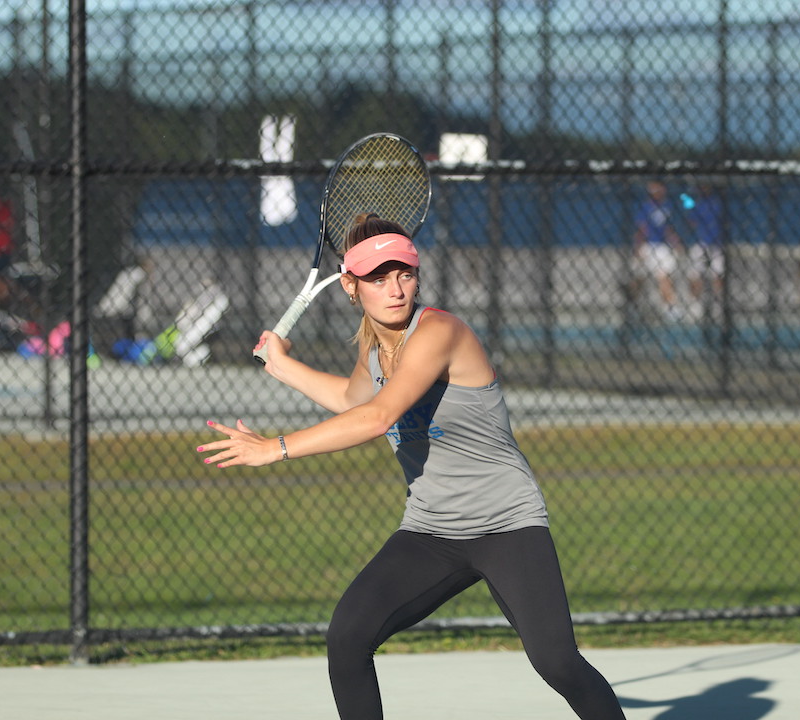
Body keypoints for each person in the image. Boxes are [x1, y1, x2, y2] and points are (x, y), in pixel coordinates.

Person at [198, 213, 625, 720]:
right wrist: (283, 364)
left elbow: (377, 416)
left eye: (405, 273)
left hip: (508, 525)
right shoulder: (374, 350)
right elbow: (351, 398)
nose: (396, 289)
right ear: (352, 287)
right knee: (348, 637)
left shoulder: (440, 330)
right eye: (379, 278)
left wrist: (276, 447)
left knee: (557, 663)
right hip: (431, 530)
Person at [633, 179, 683, 320]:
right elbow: (641, 229)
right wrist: (638, 247)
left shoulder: (669, 207)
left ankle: (670, 307)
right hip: (647, 246)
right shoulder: (645, 207)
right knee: (639, 278)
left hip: (662, 247)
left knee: (664, 276)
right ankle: (634, 305)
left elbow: (669, 229)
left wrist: (676, 243)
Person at [684, 183, 725, 319]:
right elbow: (691, 221)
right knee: (695, 274)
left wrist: (689, 203)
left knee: (717, 275)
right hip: (701, 244)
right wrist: (688, 203)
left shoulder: (716, 203)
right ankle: (695, 306)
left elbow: (692, 221)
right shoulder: (698, 203)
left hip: (716, 244)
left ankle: (717, 306)